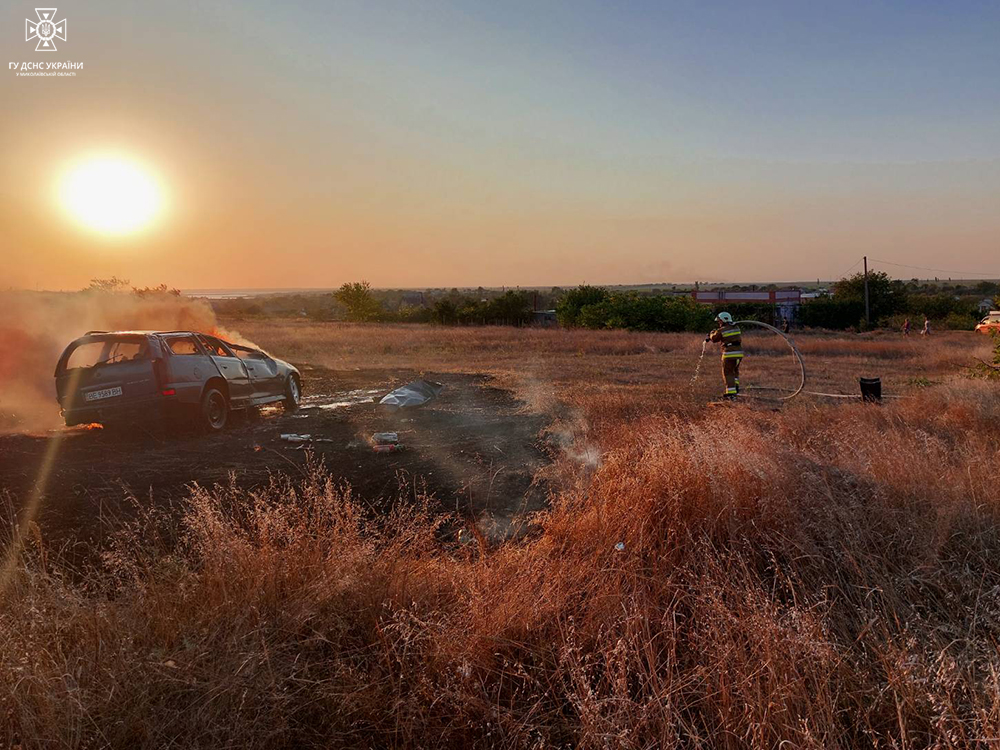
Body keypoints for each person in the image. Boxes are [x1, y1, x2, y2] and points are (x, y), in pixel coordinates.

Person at [707, 312, 743, 399]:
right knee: (735, 371)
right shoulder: (736, 327)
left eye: (719, 321)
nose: (719, 323)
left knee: (728, 372)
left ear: (723, 320)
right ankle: (736, 388)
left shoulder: (722, 330)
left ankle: (731, 394)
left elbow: (714, 338)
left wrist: (711, 333)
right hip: (739, 353)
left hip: (729, 353)